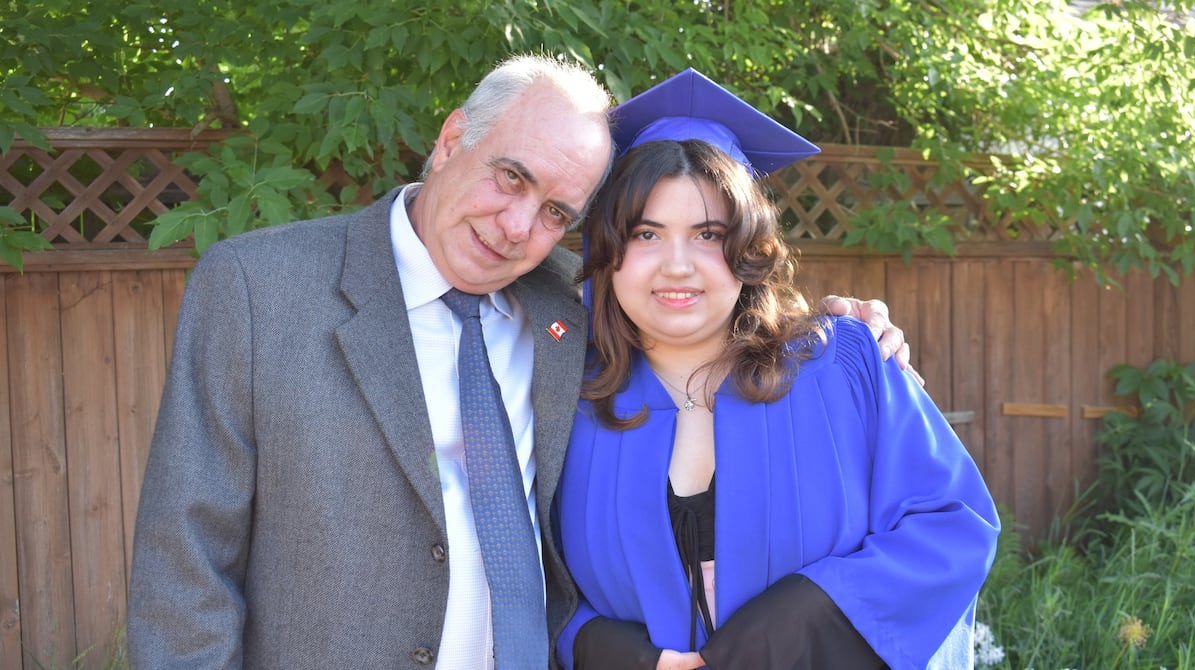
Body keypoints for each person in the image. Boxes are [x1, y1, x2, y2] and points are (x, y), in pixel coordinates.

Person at [126, 55, 911, 669]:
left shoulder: (571, 310)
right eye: (512, 177)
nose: (516, 226)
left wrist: (847, 332)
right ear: (451, 138)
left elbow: (698, 307)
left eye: (557, 214)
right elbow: (185, 561)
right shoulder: (260, 290)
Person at [555, 69, 1001, 670]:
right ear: (608, 251)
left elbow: (952, 522)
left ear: (749, 247)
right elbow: (522, 573)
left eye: (708, 234)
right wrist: (611, 653)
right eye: (646, 233)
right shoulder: (562, 397)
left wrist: (803, 620)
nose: (678, 265)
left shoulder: (844, 365)